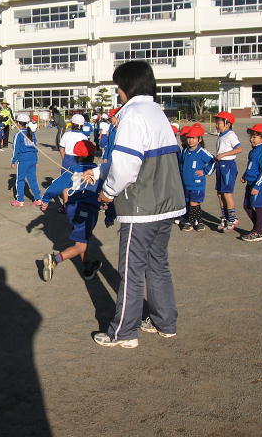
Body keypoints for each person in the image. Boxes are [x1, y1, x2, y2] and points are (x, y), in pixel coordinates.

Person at [95, 60, 185, 349]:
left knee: (131, 271)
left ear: (127, 86)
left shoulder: (132, 115)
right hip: (167, 204)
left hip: (141, 208)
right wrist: (99, 172)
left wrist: (108, 192)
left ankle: (123, 332)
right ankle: (165, 322)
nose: (117, 92)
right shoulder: (157, 113)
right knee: (158, 265)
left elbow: (126, 166)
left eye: (118, 87)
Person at [41, 140, 102, 281]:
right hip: (87, 212)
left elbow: (56, 186)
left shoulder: (72, 170)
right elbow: (109, 191)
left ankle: (87, 265)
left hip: (72, 209)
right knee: (81, 246)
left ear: (75, 156)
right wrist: (111, 214)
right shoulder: (99, 171)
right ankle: (54, 259)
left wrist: (45, 199)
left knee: (82, 239)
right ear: (93, 155)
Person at [240, 123, 262, 242]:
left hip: (259, 186)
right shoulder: (253, 151)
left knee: (258, 208)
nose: (251, 139)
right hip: (250, 184)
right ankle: (259, 226)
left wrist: (257, 186)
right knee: (246, 206)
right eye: (251, 136)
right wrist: (245, 175)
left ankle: (258, 233)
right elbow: (250, 166)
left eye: (254, 137)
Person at [180, 126, 215, 232]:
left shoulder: (202, 152)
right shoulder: (185, 151)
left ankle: (190, 222)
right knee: (194, 203)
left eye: (193, 138)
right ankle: (199, 221)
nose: (190, 140)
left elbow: (213, 161)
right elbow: (182, 165)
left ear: (199, 139)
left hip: (197, 184)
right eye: (189, 137)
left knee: (193, 202)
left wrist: (205, 171)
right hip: (187, 183)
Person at [214, 111, 242, 232]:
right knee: (220, 194)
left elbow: (239, 149)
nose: (216, 125)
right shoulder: (221, 134)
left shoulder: (231, 135)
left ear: (227, 124)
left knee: (227, 193)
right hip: (220, 166)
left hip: (228, 166)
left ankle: (232, 219)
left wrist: (223, 154)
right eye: (216, 122)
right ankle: (225, 218)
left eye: (219, 123)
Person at [10, 114, 41, 207]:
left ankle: (20, 200)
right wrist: (36, 159)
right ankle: (38, 199)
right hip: (32, 158)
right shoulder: (32, 133)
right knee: (32, 179)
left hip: (23, 160)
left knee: (20, 179)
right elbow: (35, 147)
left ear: (18, 123)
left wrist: (13, 161)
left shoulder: (18, 135)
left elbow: (15, 149)